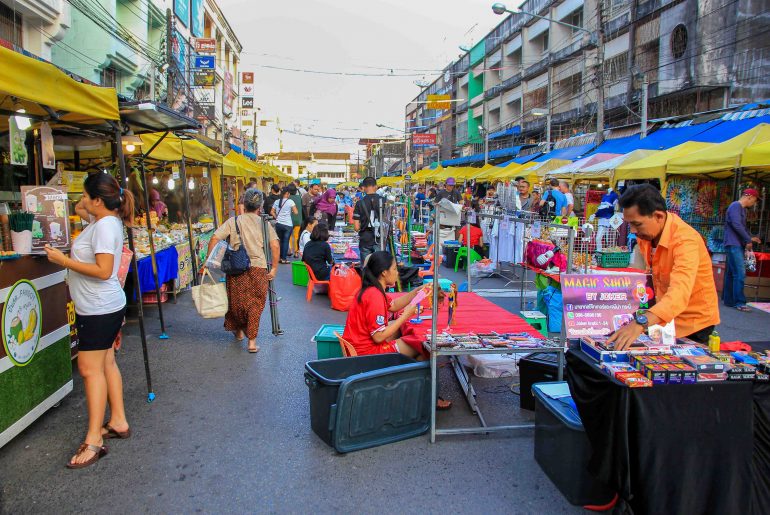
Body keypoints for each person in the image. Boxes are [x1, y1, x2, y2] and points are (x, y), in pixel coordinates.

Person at [44, 173, 134, 469]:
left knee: (89, 369)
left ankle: (94, 439)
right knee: (106, 363)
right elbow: (84, 211)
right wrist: (75, 201)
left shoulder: (105, 227)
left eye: (85, 196)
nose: (80, 201)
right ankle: (118, 420)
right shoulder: (103, 221)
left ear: (98, 200)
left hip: (99, 309)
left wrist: (64, 260)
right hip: (101, 307)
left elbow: (104, 270)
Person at [608, 184, 720, 349]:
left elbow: (678, 295)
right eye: (629, 224)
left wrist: (640, 323)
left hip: (693, 326)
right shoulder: (647, 235)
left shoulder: (685, 241)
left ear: (658, 216)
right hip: (662, 320)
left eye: (637, 224)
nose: (632, 230)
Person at [342, 252, 451, 410]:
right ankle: (423, 395)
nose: (397, 272)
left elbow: (393, 305)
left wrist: (418, 290)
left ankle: (414, 389)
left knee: (407, 336)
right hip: (366, 353)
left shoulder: (373, 289)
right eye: (394, 268)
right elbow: (379, 337)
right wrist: (406, 315)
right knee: (421, 345)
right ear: (384, 272)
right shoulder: (374, 296)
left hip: (359, 346)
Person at [207, 188, 279, 353]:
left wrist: (210, 262)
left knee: (236, 302)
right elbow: (274, 245)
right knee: (255, 304)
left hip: (235, 268)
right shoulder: (264, 223)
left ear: (244, 204)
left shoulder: (234, 221)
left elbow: (215, 238)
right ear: (260, 206)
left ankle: (239, 331)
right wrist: (274, 268)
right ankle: (252, 342)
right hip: (258, 268)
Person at [723, 188, 762, 312]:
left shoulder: (740, 209)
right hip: (733, 244)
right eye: (755, 200)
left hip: (734, 243)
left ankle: (729, 300)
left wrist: (750, 238)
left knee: (731, 273)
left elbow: (741, 227)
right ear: (749, 197)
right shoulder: (735, 206)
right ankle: (739, 302)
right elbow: (737, 225)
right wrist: (748, 240)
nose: (754, 203)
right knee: (740, 273)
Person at [353, 177, 382, 266]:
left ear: (364, 188)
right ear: (376, 187)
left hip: (365, 239)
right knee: (380, 267)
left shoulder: (359, 203)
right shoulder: (385, 201)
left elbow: (356, 227)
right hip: (380, 238)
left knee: (366, 267)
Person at [271, 186, 299, 264]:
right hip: (287, 225)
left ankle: (279, 257)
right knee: (285, 241)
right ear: (287, 193)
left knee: (280, 241)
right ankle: (283, 258)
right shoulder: (290, 201)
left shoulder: (277, 201)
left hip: (279, 224)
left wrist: (277, 217)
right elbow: (296, 212)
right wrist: (291, 212)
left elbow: (272, 212)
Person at [288, 184, 304, 258]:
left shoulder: (287, 198)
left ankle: (290, 250)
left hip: (289, 219)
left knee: (290, 236)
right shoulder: (299, 197)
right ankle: (296, 252)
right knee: (297, 236)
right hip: (298, 219)